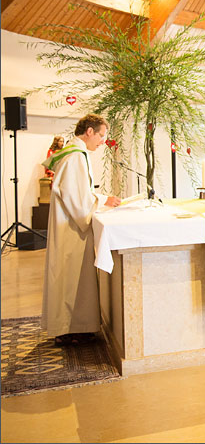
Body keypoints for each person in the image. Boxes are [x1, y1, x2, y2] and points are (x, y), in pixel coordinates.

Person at [41, 114, 121, 346]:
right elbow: (76, 199)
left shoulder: (76, 153)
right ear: (89, 131)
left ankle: (75, 327)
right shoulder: (75, 156)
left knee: (72, 276)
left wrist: (101, 199)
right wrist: (102, 201)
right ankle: (69, 328)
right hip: (70, 228)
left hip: (68, 224)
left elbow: (78, 193)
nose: (102, 141)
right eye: (101, 135)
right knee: (70, 276)